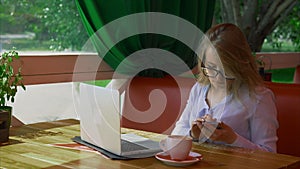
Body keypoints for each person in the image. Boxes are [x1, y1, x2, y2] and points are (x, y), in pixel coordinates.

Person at [172, 23, 278, 152]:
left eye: (226, 70)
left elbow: (269, 155)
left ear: (240, 64)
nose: (217, 78)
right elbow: (177, 132)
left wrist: (233, 139)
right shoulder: (199, 89)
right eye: (210, 67)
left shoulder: (258, 98)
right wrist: (193, 135)